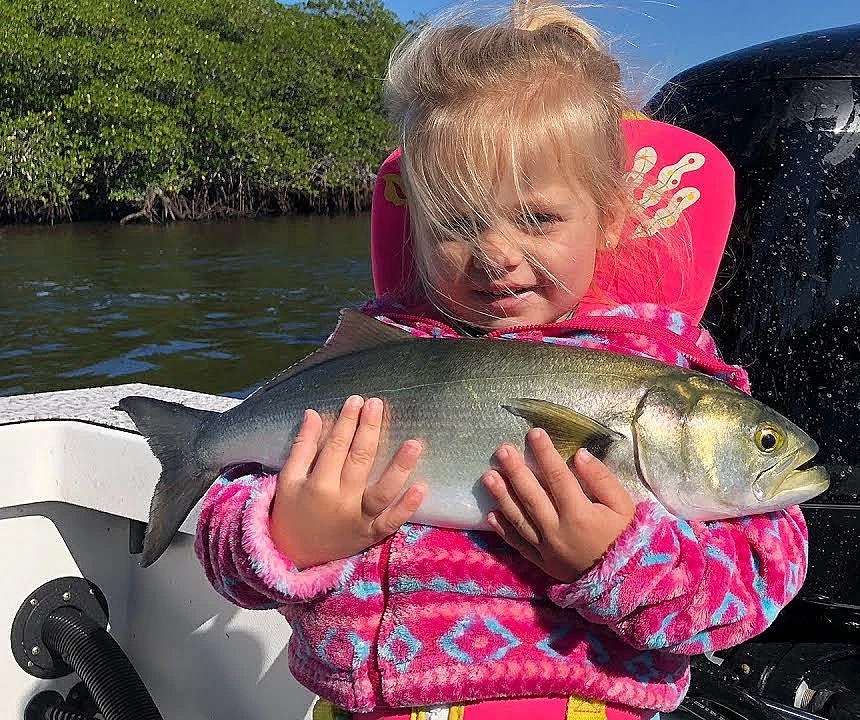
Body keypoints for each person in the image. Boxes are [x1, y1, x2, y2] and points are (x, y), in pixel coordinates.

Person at [194, 3, 809, 719]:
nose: (495, 257)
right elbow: (225, 547)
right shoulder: (372, 356)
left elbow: (754, 588)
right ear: (416, 223)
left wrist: (614, 559)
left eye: (538, 218)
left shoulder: (666, 371)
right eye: (454, 222)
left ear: (609, 216)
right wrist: (287, 537)